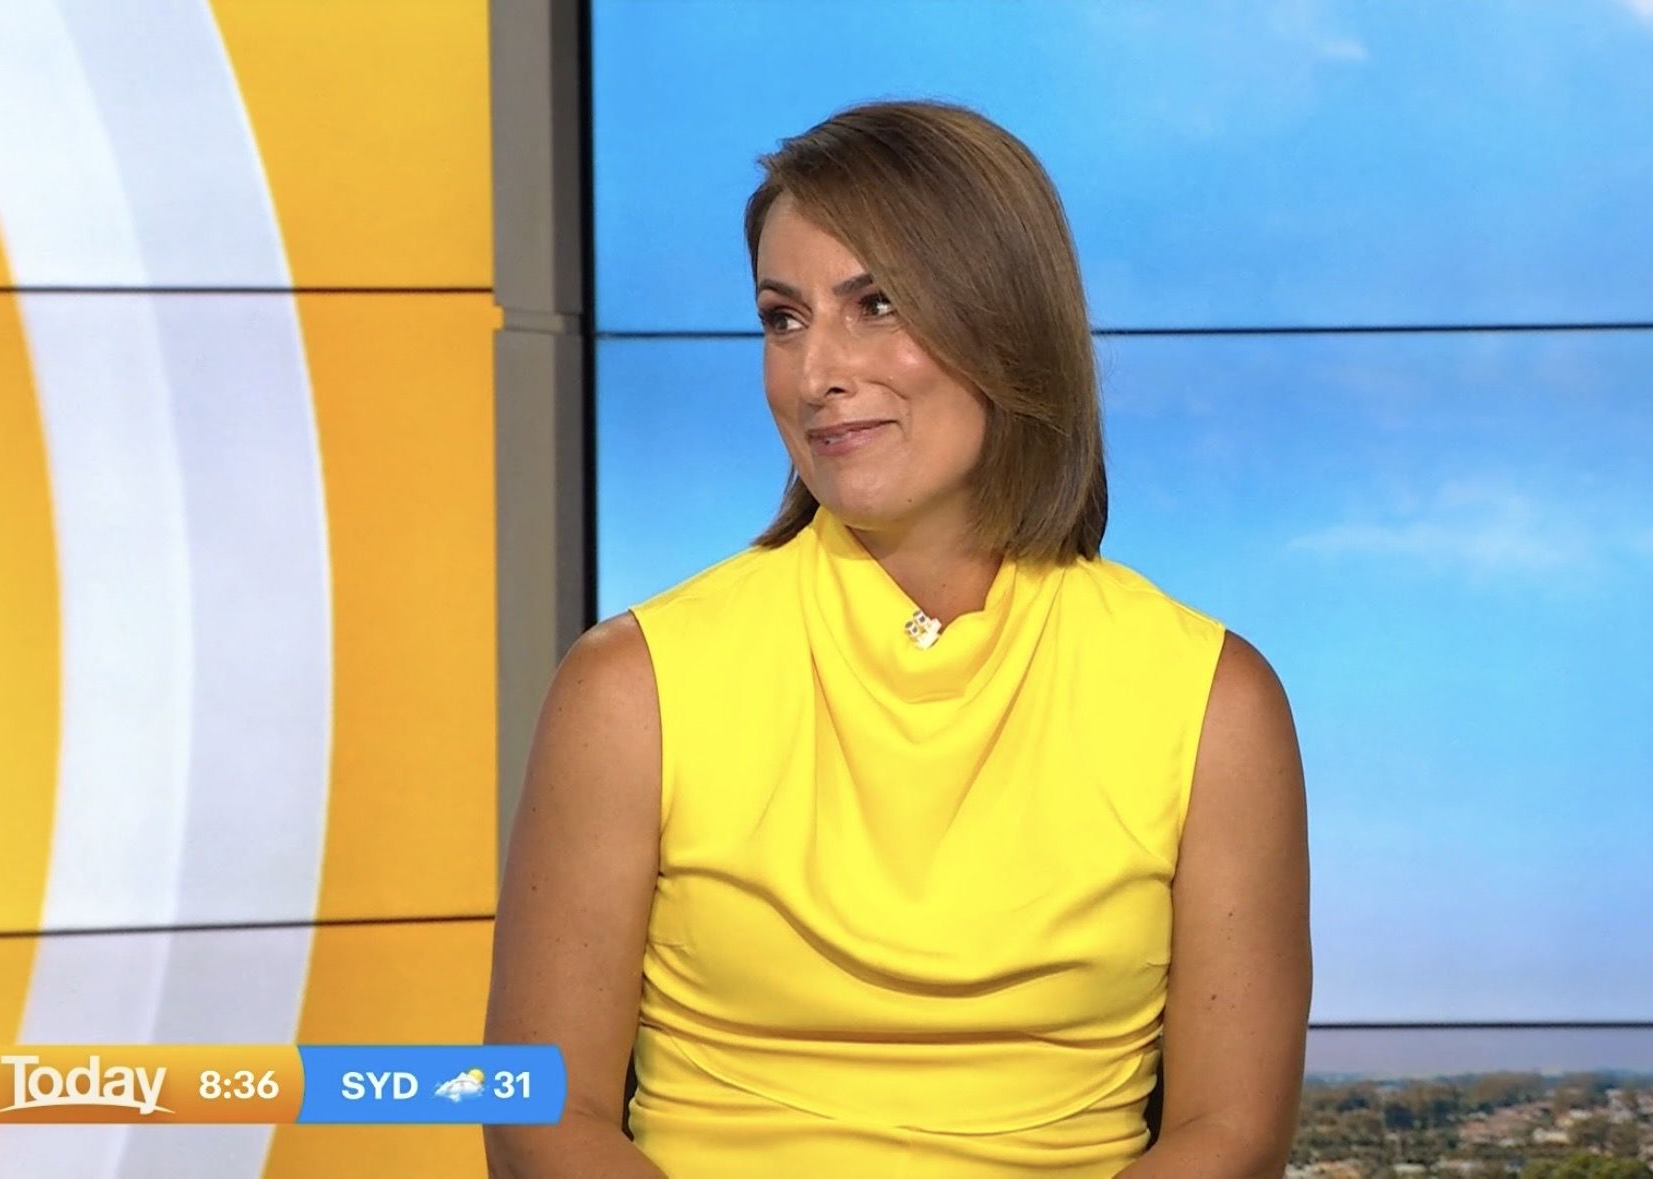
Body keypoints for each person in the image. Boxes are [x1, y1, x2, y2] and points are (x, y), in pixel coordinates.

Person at [485, 99, 1310, 1178]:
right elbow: (539, 1114)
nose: (814, 373)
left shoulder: (1210, 703)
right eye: (782, 319)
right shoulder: (632, 686)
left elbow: (1230, 1136)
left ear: (1004, 320)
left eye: (874, 306)